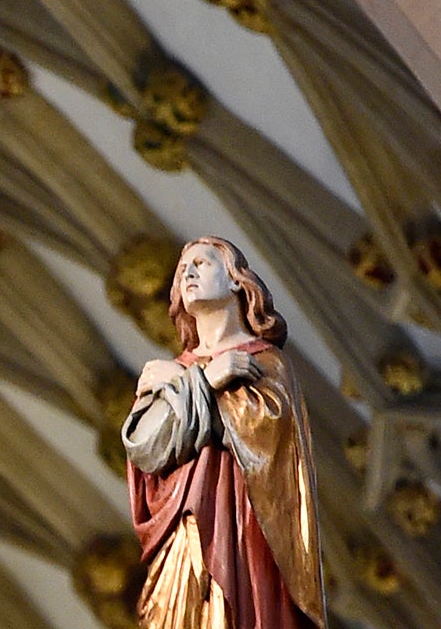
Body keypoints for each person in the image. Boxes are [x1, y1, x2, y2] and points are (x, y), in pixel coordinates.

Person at [124, 237, 325, 629]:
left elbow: (265, 443)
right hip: (182, 544)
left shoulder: (265, 363)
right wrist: (202, 378)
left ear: (237, 281)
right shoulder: (176, 369)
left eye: (202, 263)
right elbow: (145, 444)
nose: (189, 273)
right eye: (183, 269)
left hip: (241, 541)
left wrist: (183, 387)